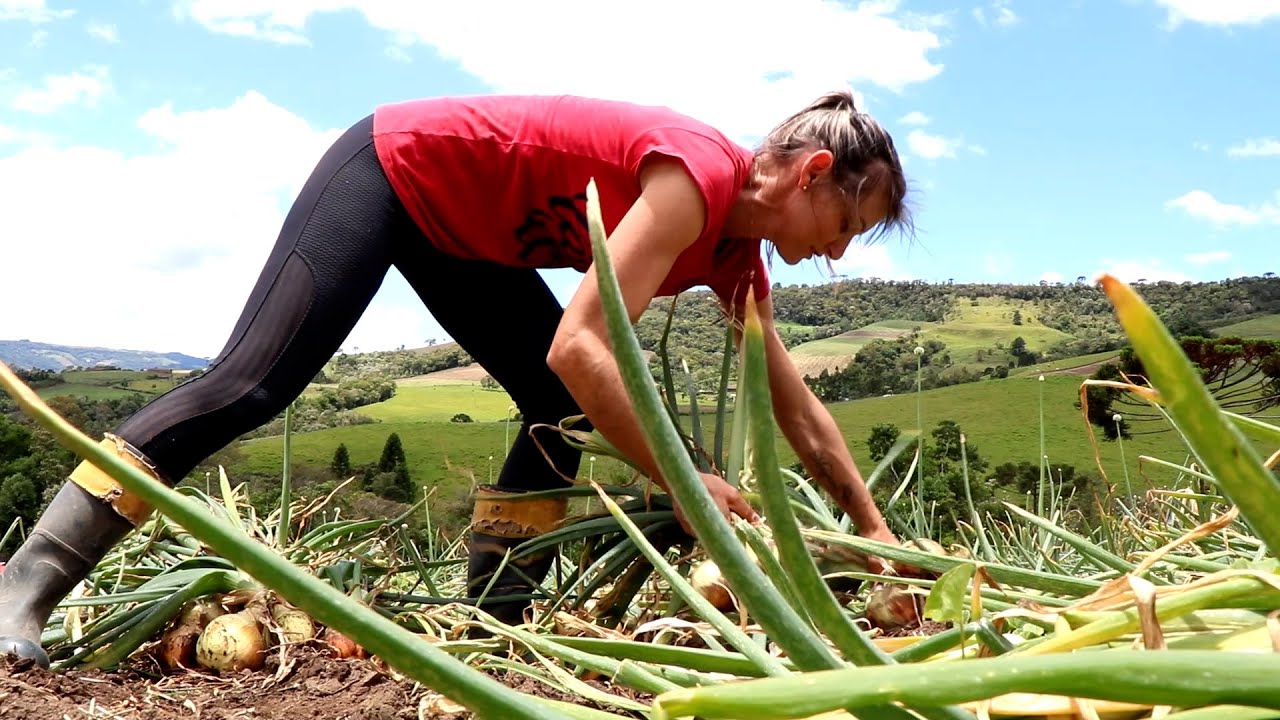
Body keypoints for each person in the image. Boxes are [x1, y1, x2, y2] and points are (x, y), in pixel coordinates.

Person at [0, 89, 911, 666]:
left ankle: (491, 624)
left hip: (460, 234)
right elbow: (583, 346)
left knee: (557, 414)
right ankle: (25, 585)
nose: (839, 251)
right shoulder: (693, 180)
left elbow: (796, 406)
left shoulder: (735, 254)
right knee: (251, 384)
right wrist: (685, 480)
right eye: (848, 223)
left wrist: (875, 536)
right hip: (393, 170)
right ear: (813, 173)